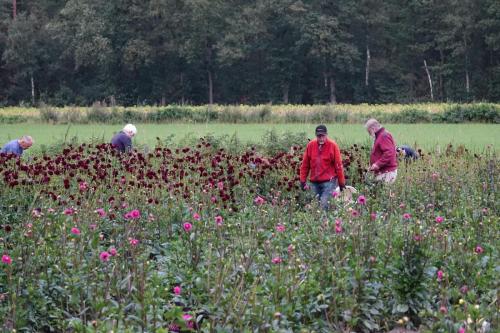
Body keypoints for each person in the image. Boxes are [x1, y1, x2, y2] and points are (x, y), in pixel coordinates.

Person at [300, 124, 346, 210]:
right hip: (314, 182)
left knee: (324, 205)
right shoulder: (311, 145)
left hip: (329, 182)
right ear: (316, 135)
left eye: (323, 136)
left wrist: (341, 183)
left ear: (326, 135)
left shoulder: (333, 146)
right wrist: (302, 180)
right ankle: (316, 223)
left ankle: (325, 222)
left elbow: (338, 166)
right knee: (313, 207)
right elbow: (305, 165)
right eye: (319, 136)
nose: (321, 138)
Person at [365, 119, 398, 184]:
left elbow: (389, 153)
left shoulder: (383, 136)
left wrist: (377, 164)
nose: (369, 134)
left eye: (369, 131)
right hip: (383, 172)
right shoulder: (380, 135)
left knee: (383, 193)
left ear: (373, 128)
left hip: (387, 173)